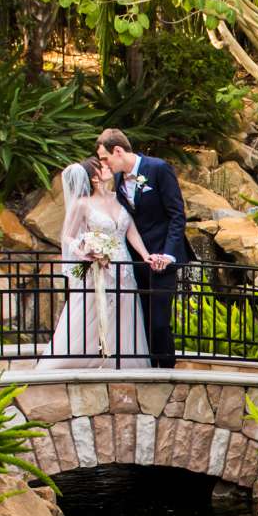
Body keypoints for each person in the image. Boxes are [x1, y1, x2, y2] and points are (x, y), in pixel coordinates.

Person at [37, 162, 148, 367]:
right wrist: (85, 250)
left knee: (124, 311)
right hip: (98, 267)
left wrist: (146, 255)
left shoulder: (120, 199)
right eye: (104, 168)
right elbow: (68, 236)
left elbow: (131, 231)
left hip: (123, 266)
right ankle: (79, 360)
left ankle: (121, 362)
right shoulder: (83, 204)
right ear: (95, 178)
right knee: (91, 311)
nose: (110, 169)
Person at [98, 128, 191, 369]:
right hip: (135, 258)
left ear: (118, 151)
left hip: (163, 256)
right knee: (143, 319)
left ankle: (168, 373)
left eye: (105, 158)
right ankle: (149, 371)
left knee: (160, 321)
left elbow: (177, 215)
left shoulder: (158, 168)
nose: (104, 164)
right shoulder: (118, 179)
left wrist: (167, 254)